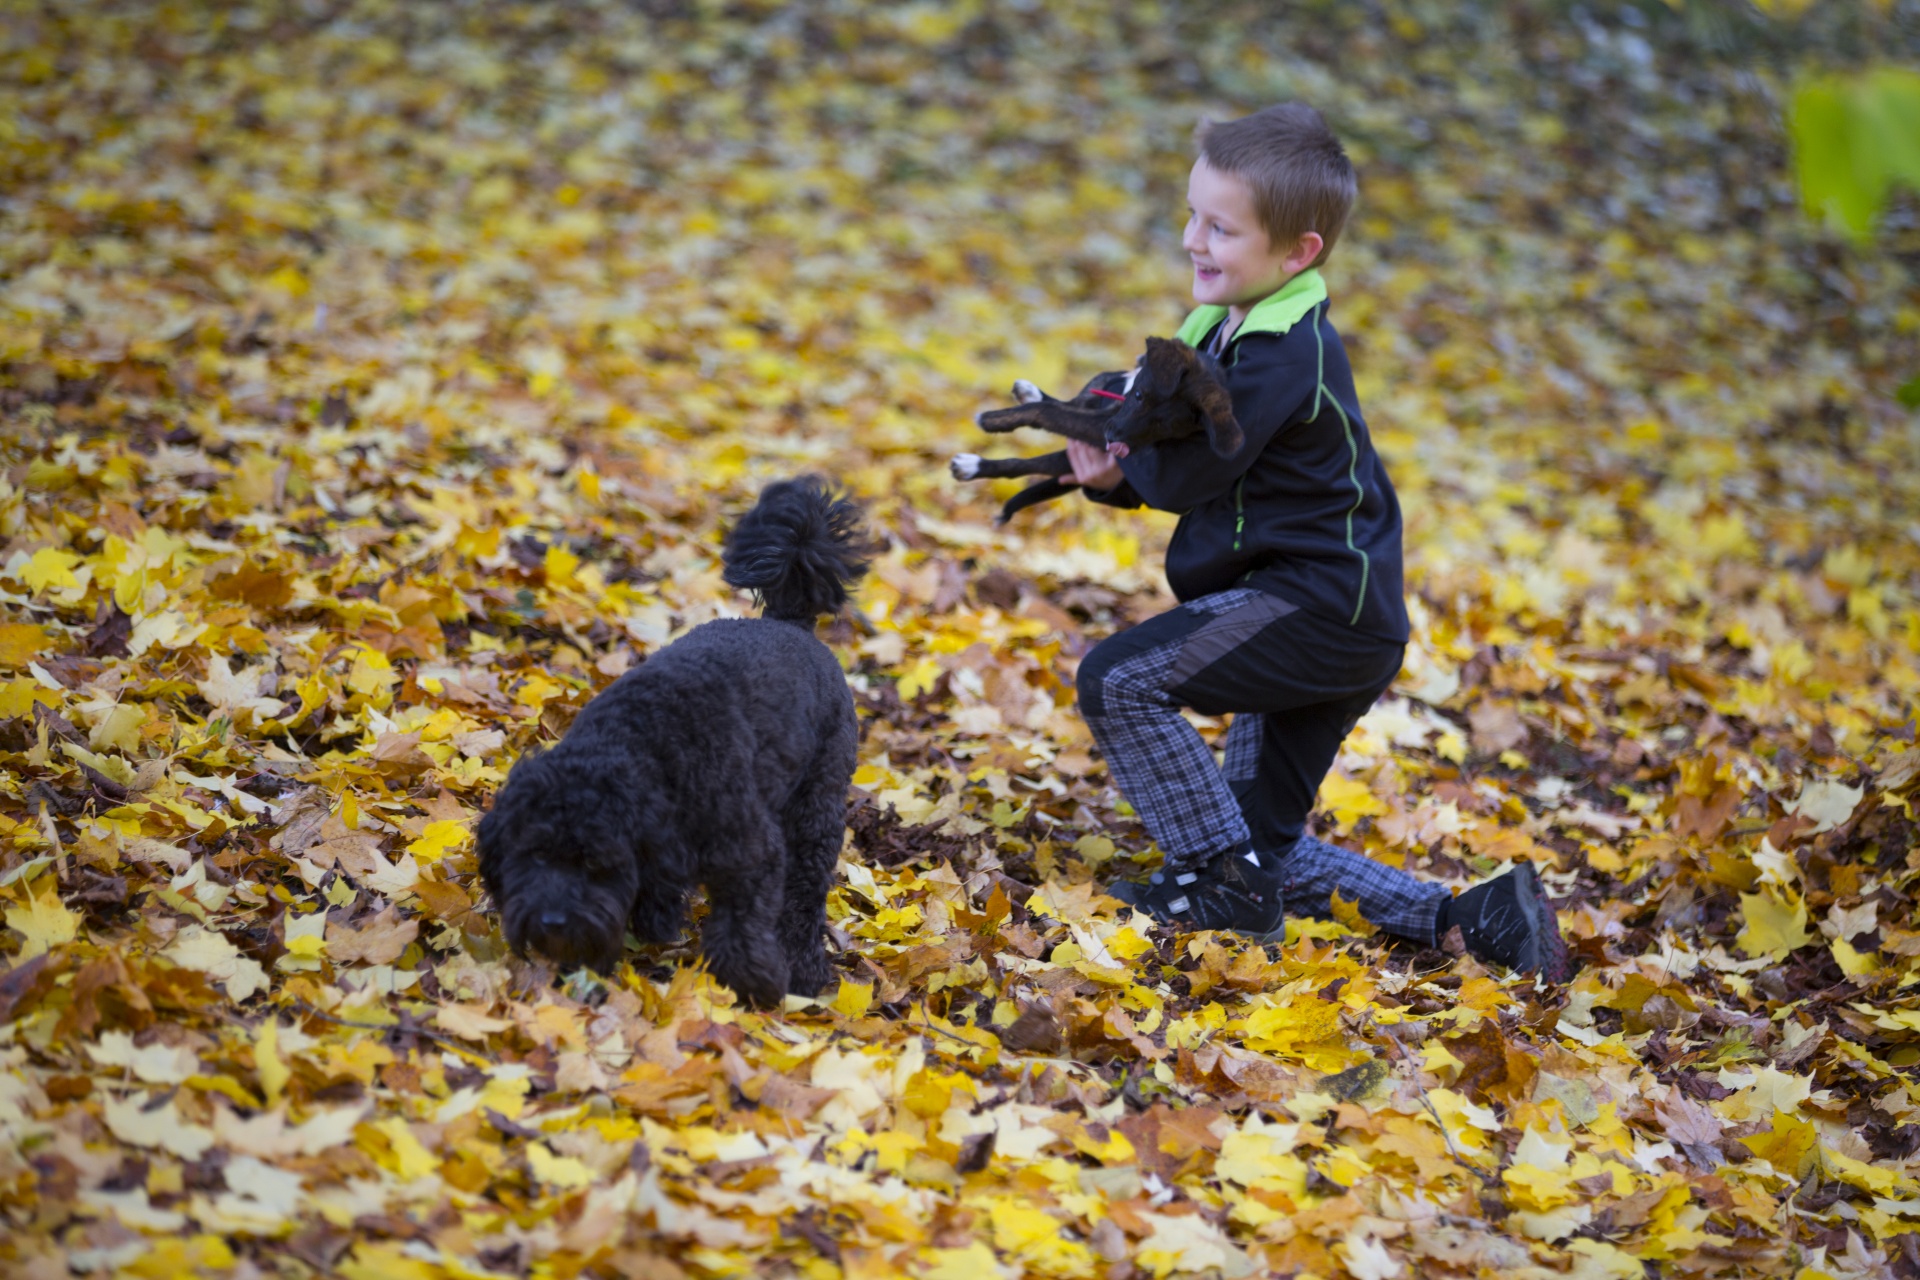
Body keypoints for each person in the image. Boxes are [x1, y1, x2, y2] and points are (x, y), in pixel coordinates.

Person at [1066, 104, 1570, 980]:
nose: (1193, 239)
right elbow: (1194, 475)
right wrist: (1113, 470)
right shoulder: (1232, 331)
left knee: (1119, 679)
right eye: (1191, 216)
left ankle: (1221, 888)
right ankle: (1476, 920)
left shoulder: (1279, 354)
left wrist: (1122, 469)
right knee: (1267, 847)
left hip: (1315, 609)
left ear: (1297, 253)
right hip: (1333, 615)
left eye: (1220, 228)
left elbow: (1188, 478)